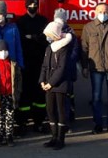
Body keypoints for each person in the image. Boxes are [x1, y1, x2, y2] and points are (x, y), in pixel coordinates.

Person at [81, 2, 108, 134]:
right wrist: (84, 67)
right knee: (96, 97)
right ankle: (98, 124)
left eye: (105, 11)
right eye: (100, 11)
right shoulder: (88, 28)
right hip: (96, 69)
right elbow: (84, 49)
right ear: (95, 12)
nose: (103, 14)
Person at [16, 0, 49, 133]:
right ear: (26, 6)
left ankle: (39, 121)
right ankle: (22, 122)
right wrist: (36, 38)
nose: (33, 7)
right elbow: (20, 41)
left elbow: (46, 39)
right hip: (25, 63)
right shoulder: (20, 22)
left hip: (41, 64)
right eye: (31, 5)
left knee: (40, 95)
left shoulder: (43, 21)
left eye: (35, 5)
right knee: (25, 94)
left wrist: (33, 37)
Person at [39, 20, 73, 150]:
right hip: (48, 85)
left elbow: (61, 68)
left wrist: (51, 83)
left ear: (56, 35)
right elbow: (44, 65)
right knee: (50, 110)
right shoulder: (49, 47)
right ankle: (53, 137)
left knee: (61, 111)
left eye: (50, 35)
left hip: (60, 85)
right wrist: (42, 80)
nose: (48, 37)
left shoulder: (63, 48)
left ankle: (60, 139)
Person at [0, 39, 23, 147]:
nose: (4, 52)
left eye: (6, 50)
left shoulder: (13, 64)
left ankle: (9, 136)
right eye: (1, 50)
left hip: (10, 95)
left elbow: (19, 79)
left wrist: (18, 91)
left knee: (10, 116)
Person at [53, 8, 81, 126]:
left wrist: (66, 62)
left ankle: (67, 121)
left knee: (67, 97)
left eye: (62, 18)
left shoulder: (70, 32)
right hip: (54, 70)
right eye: (58, 18)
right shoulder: (52, 30)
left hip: (68, 70)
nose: (60, 21)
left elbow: (75, 51)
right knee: (54, 98)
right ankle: (55, 120)